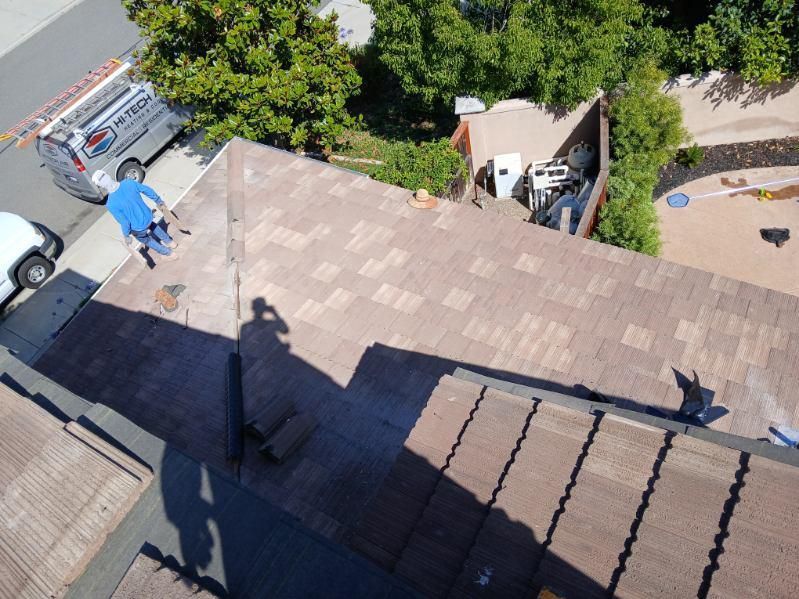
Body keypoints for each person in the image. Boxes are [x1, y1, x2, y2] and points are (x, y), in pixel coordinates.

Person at [91, 170, 178, 259]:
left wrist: (126, 235)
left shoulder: (110, 204)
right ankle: (171, 242)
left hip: (138, 228)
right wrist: (158, 200)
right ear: (108, 175)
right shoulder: (128, 182)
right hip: (148, 216)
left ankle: (170, 253)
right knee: (153, 226)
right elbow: (147, 190)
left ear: (100, 186)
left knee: (147, 240)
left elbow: (125, 222)